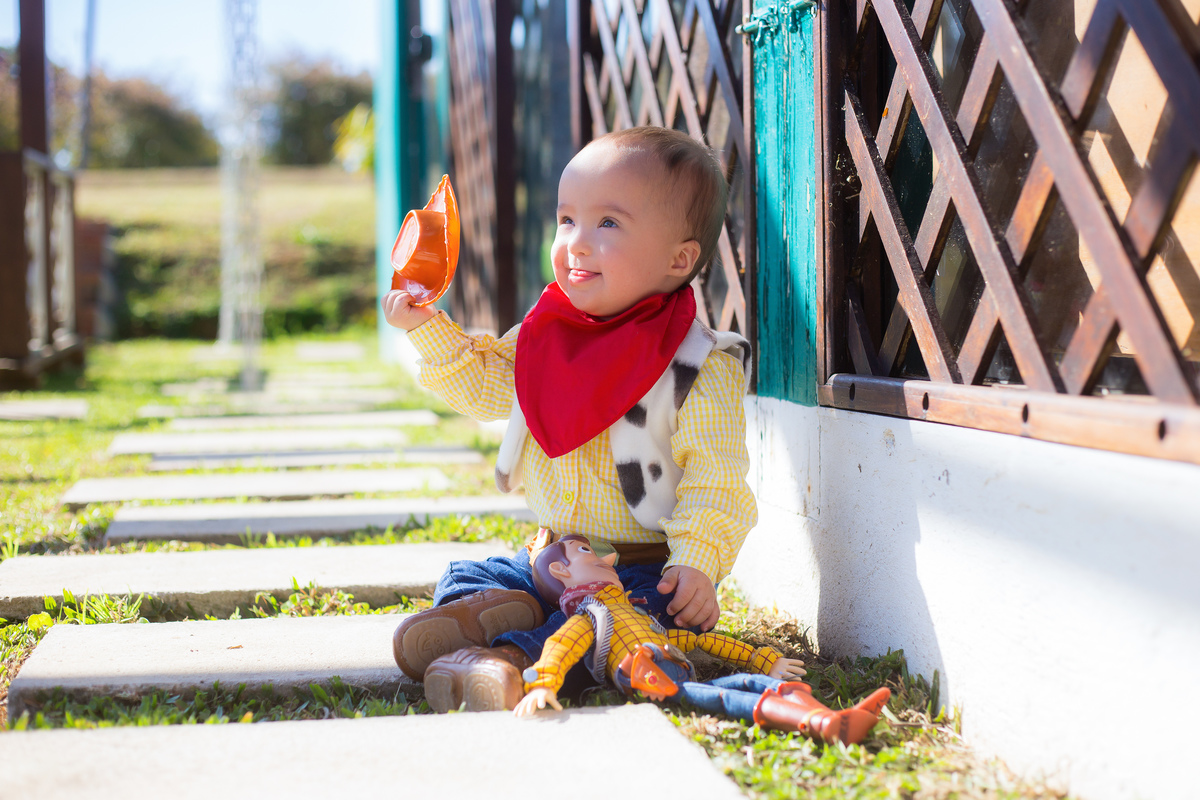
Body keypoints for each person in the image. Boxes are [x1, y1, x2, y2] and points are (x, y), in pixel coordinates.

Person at [382, 126, 757, 713]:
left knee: (617, 625)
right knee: (468, 573)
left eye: (608, 224)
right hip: (552, 554)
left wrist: (695, 564)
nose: (577, 243)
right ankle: (508, 613)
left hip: (633, 570)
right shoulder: (546, 335)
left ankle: (507, 659)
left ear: (679, 258)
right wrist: (426, 327)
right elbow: (486, 391)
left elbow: (716, 482)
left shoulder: (697, 367)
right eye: (566, 221)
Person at [513, 535, 891, 745]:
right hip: (651, 681)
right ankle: (819, 724)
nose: (608, 562)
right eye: (586, 553)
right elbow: (562, 645)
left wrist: (764, 660)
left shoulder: (641, 615)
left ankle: (828, 716)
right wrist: (543, 684)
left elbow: (704, 643)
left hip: (672, 662)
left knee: (754, 682)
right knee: (731, 697)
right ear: (562, 571)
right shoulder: (591, 619)